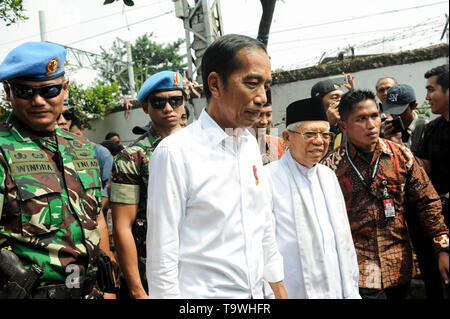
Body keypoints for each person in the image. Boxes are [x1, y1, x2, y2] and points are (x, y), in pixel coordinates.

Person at [146, 34, 287, 299]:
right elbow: (161, 258)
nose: (261, 97)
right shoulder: (175, 153)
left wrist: (277, 287)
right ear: (215, 84)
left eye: (266, 86)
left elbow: (263, 227)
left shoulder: (249, 146)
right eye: (252, 83)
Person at [0, 41, 115, 299]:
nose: (39, 101)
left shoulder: (83, 149)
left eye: (49, 90)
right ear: (8, 91)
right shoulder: (2, 150)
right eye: (25, 92)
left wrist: (108, 288)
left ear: (65, 89)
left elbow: (96, 220)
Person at [321, 89, 449, 299]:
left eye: (374, 116)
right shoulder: (331, 167)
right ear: (343, 126)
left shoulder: (401, 156)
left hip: (398, 266)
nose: (371, 125)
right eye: (361, 119)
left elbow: (427, 202)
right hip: (357, 270)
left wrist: (443, 247)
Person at [264, 97, 360, 299]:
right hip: (293, 289)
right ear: (287, 138)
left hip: (337, 287)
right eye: (310, 134)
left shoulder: (328, 176)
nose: (319, 141)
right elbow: (264, 244)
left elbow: (344, 242)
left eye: (325, 134)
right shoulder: (267, 179)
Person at [110, 70, 184, 299]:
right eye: (159, 102)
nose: (168, 108)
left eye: (175, 100)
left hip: (201, 265)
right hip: (155, 269)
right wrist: (137, 290)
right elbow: (122, 226)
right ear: (145, 107)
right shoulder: (131, 157)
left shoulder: (205, 148)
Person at [383, 83, 444, 299]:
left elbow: (430, 171)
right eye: (390, 108)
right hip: (401, 208)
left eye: (401, 110)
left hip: (425, 206)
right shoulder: (384, 133)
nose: (394, 115)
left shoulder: (427, 128)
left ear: (414, 105)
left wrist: (401, 149)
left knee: (431, 263)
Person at [416, 64, 449, 229]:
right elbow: (426, 166)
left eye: (431, 90)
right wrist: (400, 151)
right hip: (441, 217)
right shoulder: (432, 128)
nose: (427, 97)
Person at [311, 73, 354, 151]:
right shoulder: (309, 132)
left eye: (342, 98)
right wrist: (329, 126)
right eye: (335, 98)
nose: (341, 102)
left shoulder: (348, 127)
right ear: (318, 104)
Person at [251, 88, 285, 164]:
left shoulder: (279, 144)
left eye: (268, 115)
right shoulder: (235, 146)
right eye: (259, 115)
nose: (264, 121)